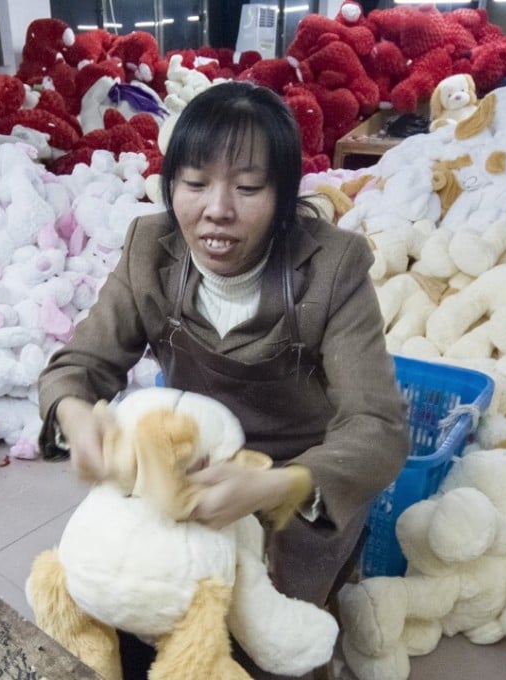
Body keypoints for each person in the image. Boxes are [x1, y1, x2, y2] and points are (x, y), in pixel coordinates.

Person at [37, 80, 409, 679]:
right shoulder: (149, 250)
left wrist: (274, 488)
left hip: (295, 489)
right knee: (127, 609)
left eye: (248, 186)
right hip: (184, 478)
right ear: (171, 186)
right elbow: (76, 367)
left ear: (284, 196)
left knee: (263, 644)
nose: (218, 208)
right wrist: (77, 416)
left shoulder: (332, 268)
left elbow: (378, 428)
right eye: (195, 182)